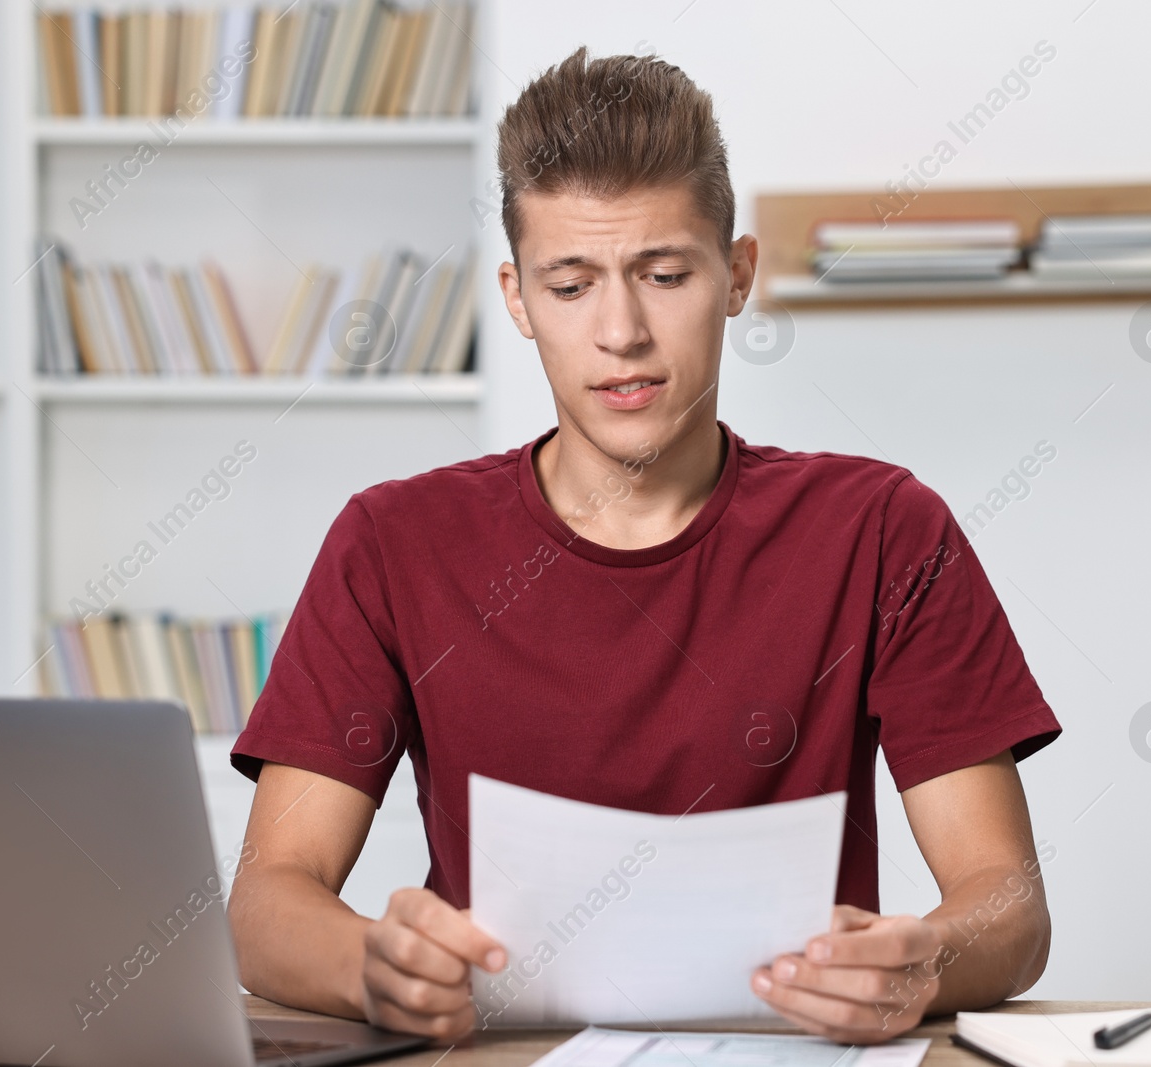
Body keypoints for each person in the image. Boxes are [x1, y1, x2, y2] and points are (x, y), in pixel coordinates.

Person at [227, 46, 1059, 1045]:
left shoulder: (881, 527)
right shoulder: (393, 540)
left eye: (663, 274)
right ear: (518, 299)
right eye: (570, 285)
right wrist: (370, 965)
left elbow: (1004, 903)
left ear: (737, 274)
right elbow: (270, 897)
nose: (620, 331)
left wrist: (922, 960)